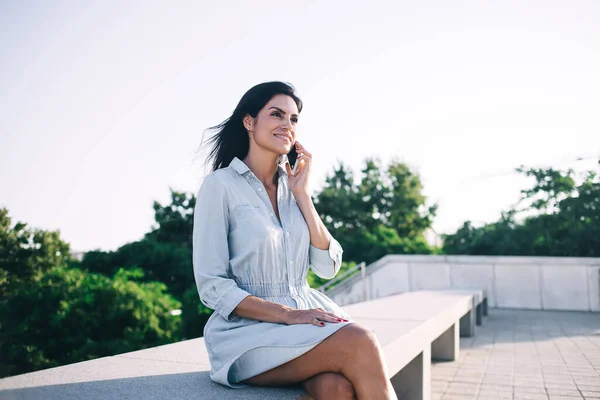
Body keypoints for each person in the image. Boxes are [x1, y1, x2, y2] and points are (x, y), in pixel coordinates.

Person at [193, 81, 397, 399]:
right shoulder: (220, 186)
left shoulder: (293, 189)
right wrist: (289, 315)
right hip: (247, 333)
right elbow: (211, 286)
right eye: (276, 114)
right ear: (249, 121)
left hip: (304, 323)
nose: (287, 125)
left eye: (294, 119)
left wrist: (302, 193)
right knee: (362, 341)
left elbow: (328, 266)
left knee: (336, 389)